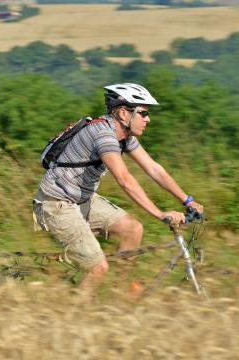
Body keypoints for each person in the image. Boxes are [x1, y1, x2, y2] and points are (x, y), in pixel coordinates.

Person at [33, 83, 204, 294]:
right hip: (56, 204)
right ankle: (73, 315)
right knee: (98, 267)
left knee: (133, 229)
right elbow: (124, 179)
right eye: (143, 113)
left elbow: (153, 168)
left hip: (83, 200)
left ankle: (121, 295)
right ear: (123, 113)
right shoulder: (103, 134)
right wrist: (160, 214)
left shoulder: (125, 137)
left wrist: (186, 200)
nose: (148, 118)